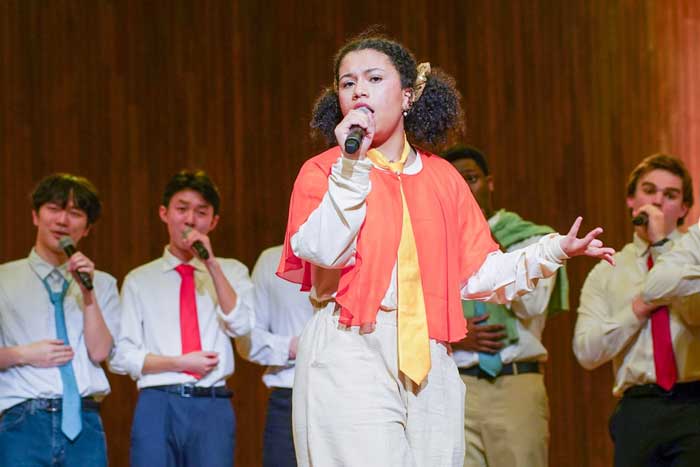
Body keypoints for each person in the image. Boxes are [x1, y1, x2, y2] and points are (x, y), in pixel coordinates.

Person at [277, 32, 614, 467]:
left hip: (430, 354)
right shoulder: (324, 170)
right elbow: (323, 251)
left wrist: (552, 251)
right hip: (351, 347)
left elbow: (477, 273)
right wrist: (351, 165)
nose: (359, 89)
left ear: (408, 95)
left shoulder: (443, 178)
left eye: (374, 78)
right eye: (347, 83)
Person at [110, 170, 253, 467]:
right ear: (164, 213)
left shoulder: (233, 271)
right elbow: (122, 356)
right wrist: (178, 363)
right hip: (157, 401)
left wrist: (211, 265)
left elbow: (241, 325)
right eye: (182, 208)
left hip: (213, 403)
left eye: (201, 212)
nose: (190, 220)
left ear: (213, 222)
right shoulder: (139, 279)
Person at [443, 146, 569, 467]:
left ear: (490, 182)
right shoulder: (435, 249)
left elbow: (533, 306)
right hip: (456, 383)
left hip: (515, 383)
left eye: (470, 178)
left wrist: (483, 241)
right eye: (454, 183)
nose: (465, 189)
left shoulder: (529, 241)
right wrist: (452, 331)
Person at [573, 154, 700, 466]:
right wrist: (639, 308)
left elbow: (696, 317)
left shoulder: (695, 258)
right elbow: (586, 352)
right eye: (649, 190)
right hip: (638, 406)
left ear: (684, 209)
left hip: (694, 401)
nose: (658, 201)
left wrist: (661, 247)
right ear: (632, 200)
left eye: (670, 195)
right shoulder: (606, 271)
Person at [0, 173, 120, 466]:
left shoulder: (102, 283)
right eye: (54, 209)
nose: (63, 220)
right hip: (22, 420)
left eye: (75, 213)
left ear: (87, 228)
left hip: (85, 420)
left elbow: (101, 352)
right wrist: (23, 354)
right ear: (35, 216)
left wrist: (87, 295)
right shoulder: (4, 279)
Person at [236, 245, 314, 467]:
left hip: (346, 394)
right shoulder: (271, 260)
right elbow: (247, 338)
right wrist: (290, 346)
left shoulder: (358, 253)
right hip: (288, 396)